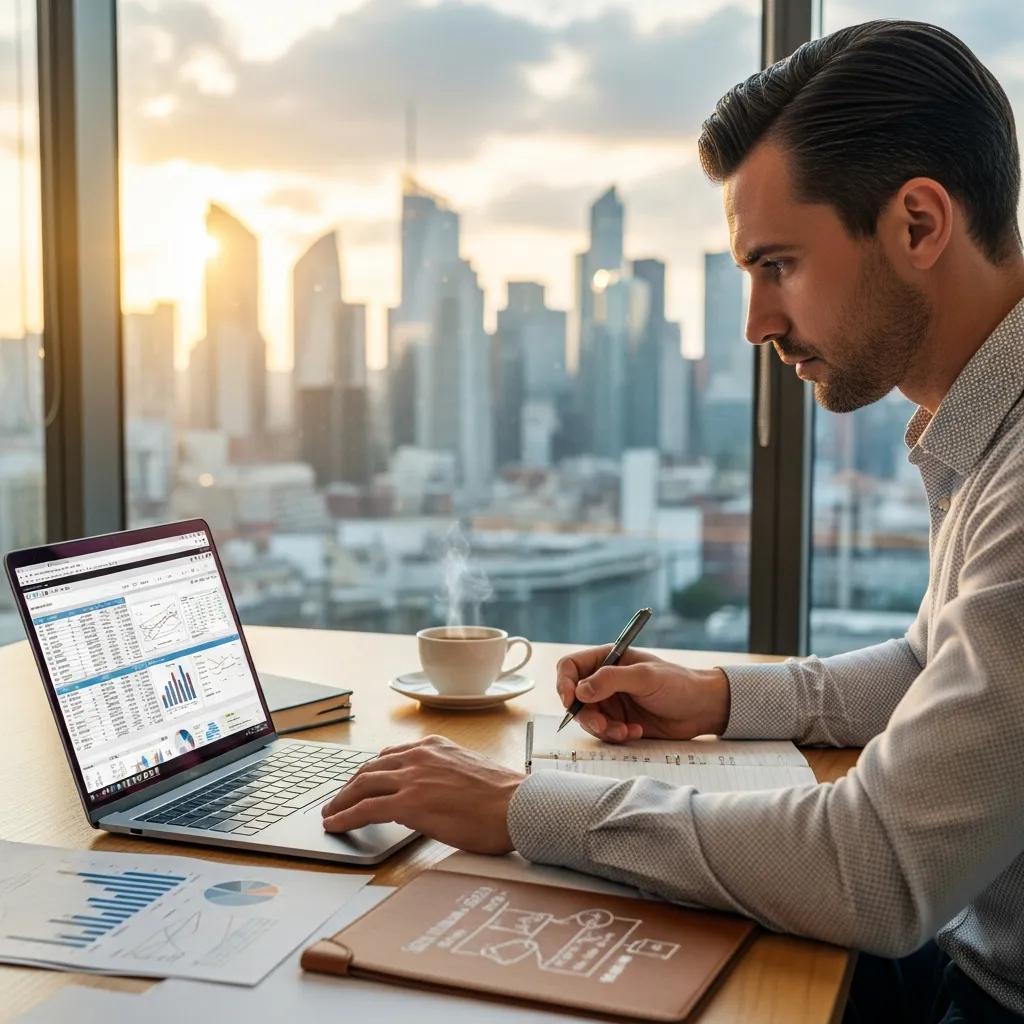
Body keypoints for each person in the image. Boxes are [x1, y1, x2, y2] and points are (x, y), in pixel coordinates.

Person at [320, 20, 1024, 1022]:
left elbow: (877, 871)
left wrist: (518, 806)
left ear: (917, 224)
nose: (754, 324)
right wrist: (711, 695)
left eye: (777, 265)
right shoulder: (984, 420)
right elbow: (931, 666)